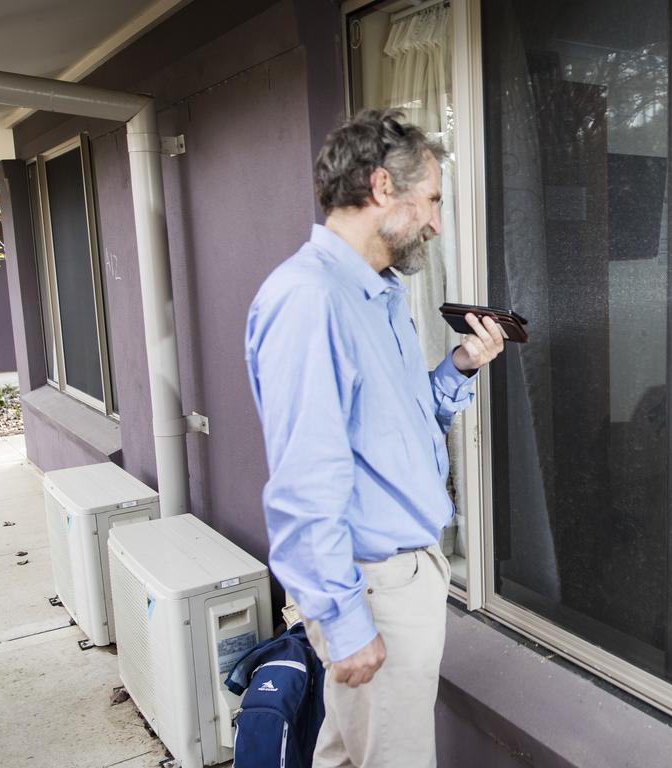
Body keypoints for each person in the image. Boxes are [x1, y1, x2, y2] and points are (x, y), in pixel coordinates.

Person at [245, 109, 504, 768]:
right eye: (433, 201)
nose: (436, 224)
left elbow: (394, 434)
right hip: (370, 588)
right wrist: (344, 618)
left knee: (345, 755)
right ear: (384, 187)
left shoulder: (378, 294)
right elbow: (306, 480)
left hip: (400, 577)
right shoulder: (310, 301)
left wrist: (457, 370)